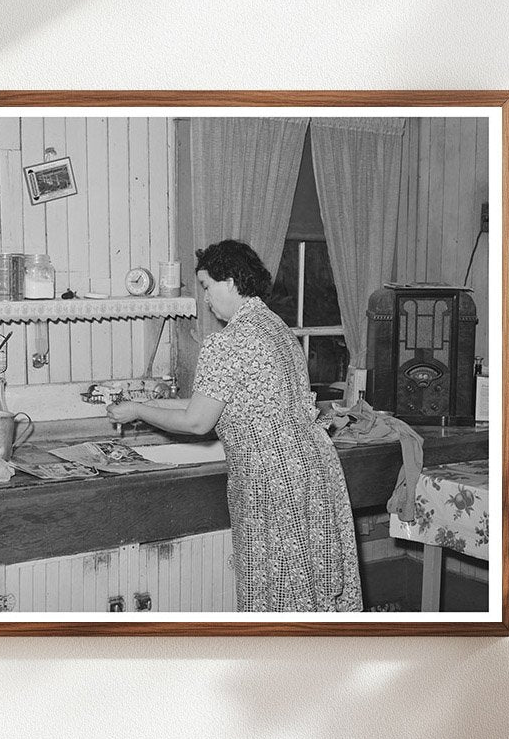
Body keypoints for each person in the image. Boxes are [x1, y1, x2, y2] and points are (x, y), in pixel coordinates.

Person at [107, 239, 362, 612]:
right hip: (311, 471)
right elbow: (215, 400)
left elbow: (197, 421)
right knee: (311, 588)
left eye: (208, 287)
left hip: (270, 483)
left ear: (229, 281)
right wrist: (141, 404)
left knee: (275, 593)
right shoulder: (275, 328)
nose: (206, 300)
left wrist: (139, 413)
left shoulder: (228, 342)